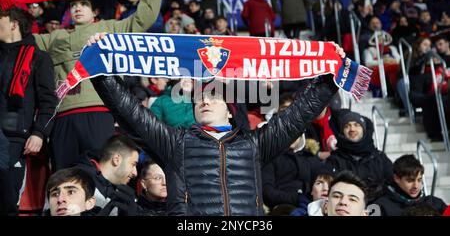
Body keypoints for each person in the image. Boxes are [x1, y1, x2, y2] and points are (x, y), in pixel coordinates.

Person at [88, 32, 345, 215]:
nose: (204, 102)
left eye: (213, 97)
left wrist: (330, 79)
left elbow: (296, 116)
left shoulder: (253, 144)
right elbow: (130, 113)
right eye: (199, 98)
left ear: (231, 111)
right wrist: (101, 74)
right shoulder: (176, 142)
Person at [32, 0, 164, 171]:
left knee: (102, 173)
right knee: (64, 173)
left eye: (83, 4)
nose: (77, 8)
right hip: (63, 114)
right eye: (73, 5)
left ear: (95, 11)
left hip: (100, 110)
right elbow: (18, 38)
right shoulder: (53, 38)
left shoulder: (110, 27)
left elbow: (143, 18)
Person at [0, 7, 57, 215]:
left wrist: (39, 132)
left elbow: (49, 101)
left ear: (14, 24)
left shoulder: (39, 58)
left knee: (6, 202)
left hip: (14, 138)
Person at [326, 110, 393, 202]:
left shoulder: (380, 158)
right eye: (347, 126)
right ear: (342, 132)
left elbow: (392, 184)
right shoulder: (334, 160)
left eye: (356, 125)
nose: (352, 129)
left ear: (363, 130)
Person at [76, 135, 140, 216]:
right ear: (116, 160)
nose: (135, 173)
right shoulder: (77, 181)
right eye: (133, 164)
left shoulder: (122, 193)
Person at [373, 154, 447, 216]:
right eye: (410, 180)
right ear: (396, 178)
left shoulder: (435, 203)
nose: (416, 186)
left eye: (419, 180)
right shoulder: (381, 206)